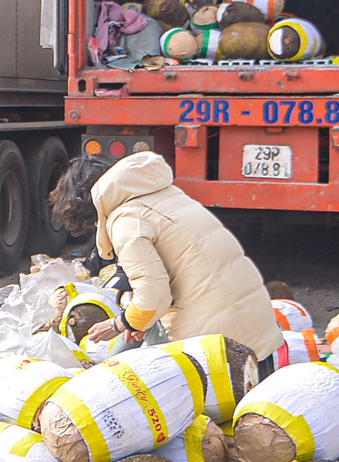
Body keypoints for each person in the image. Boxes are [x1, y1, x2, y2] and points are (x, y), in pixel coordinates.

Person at [49, 150, 282, 364]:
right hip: (260, 336)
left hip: (226, 350)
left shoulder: (127, 220)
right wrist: (138, 321)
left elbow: (153, 298)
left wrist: (118, 323)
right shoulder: (165, 195)